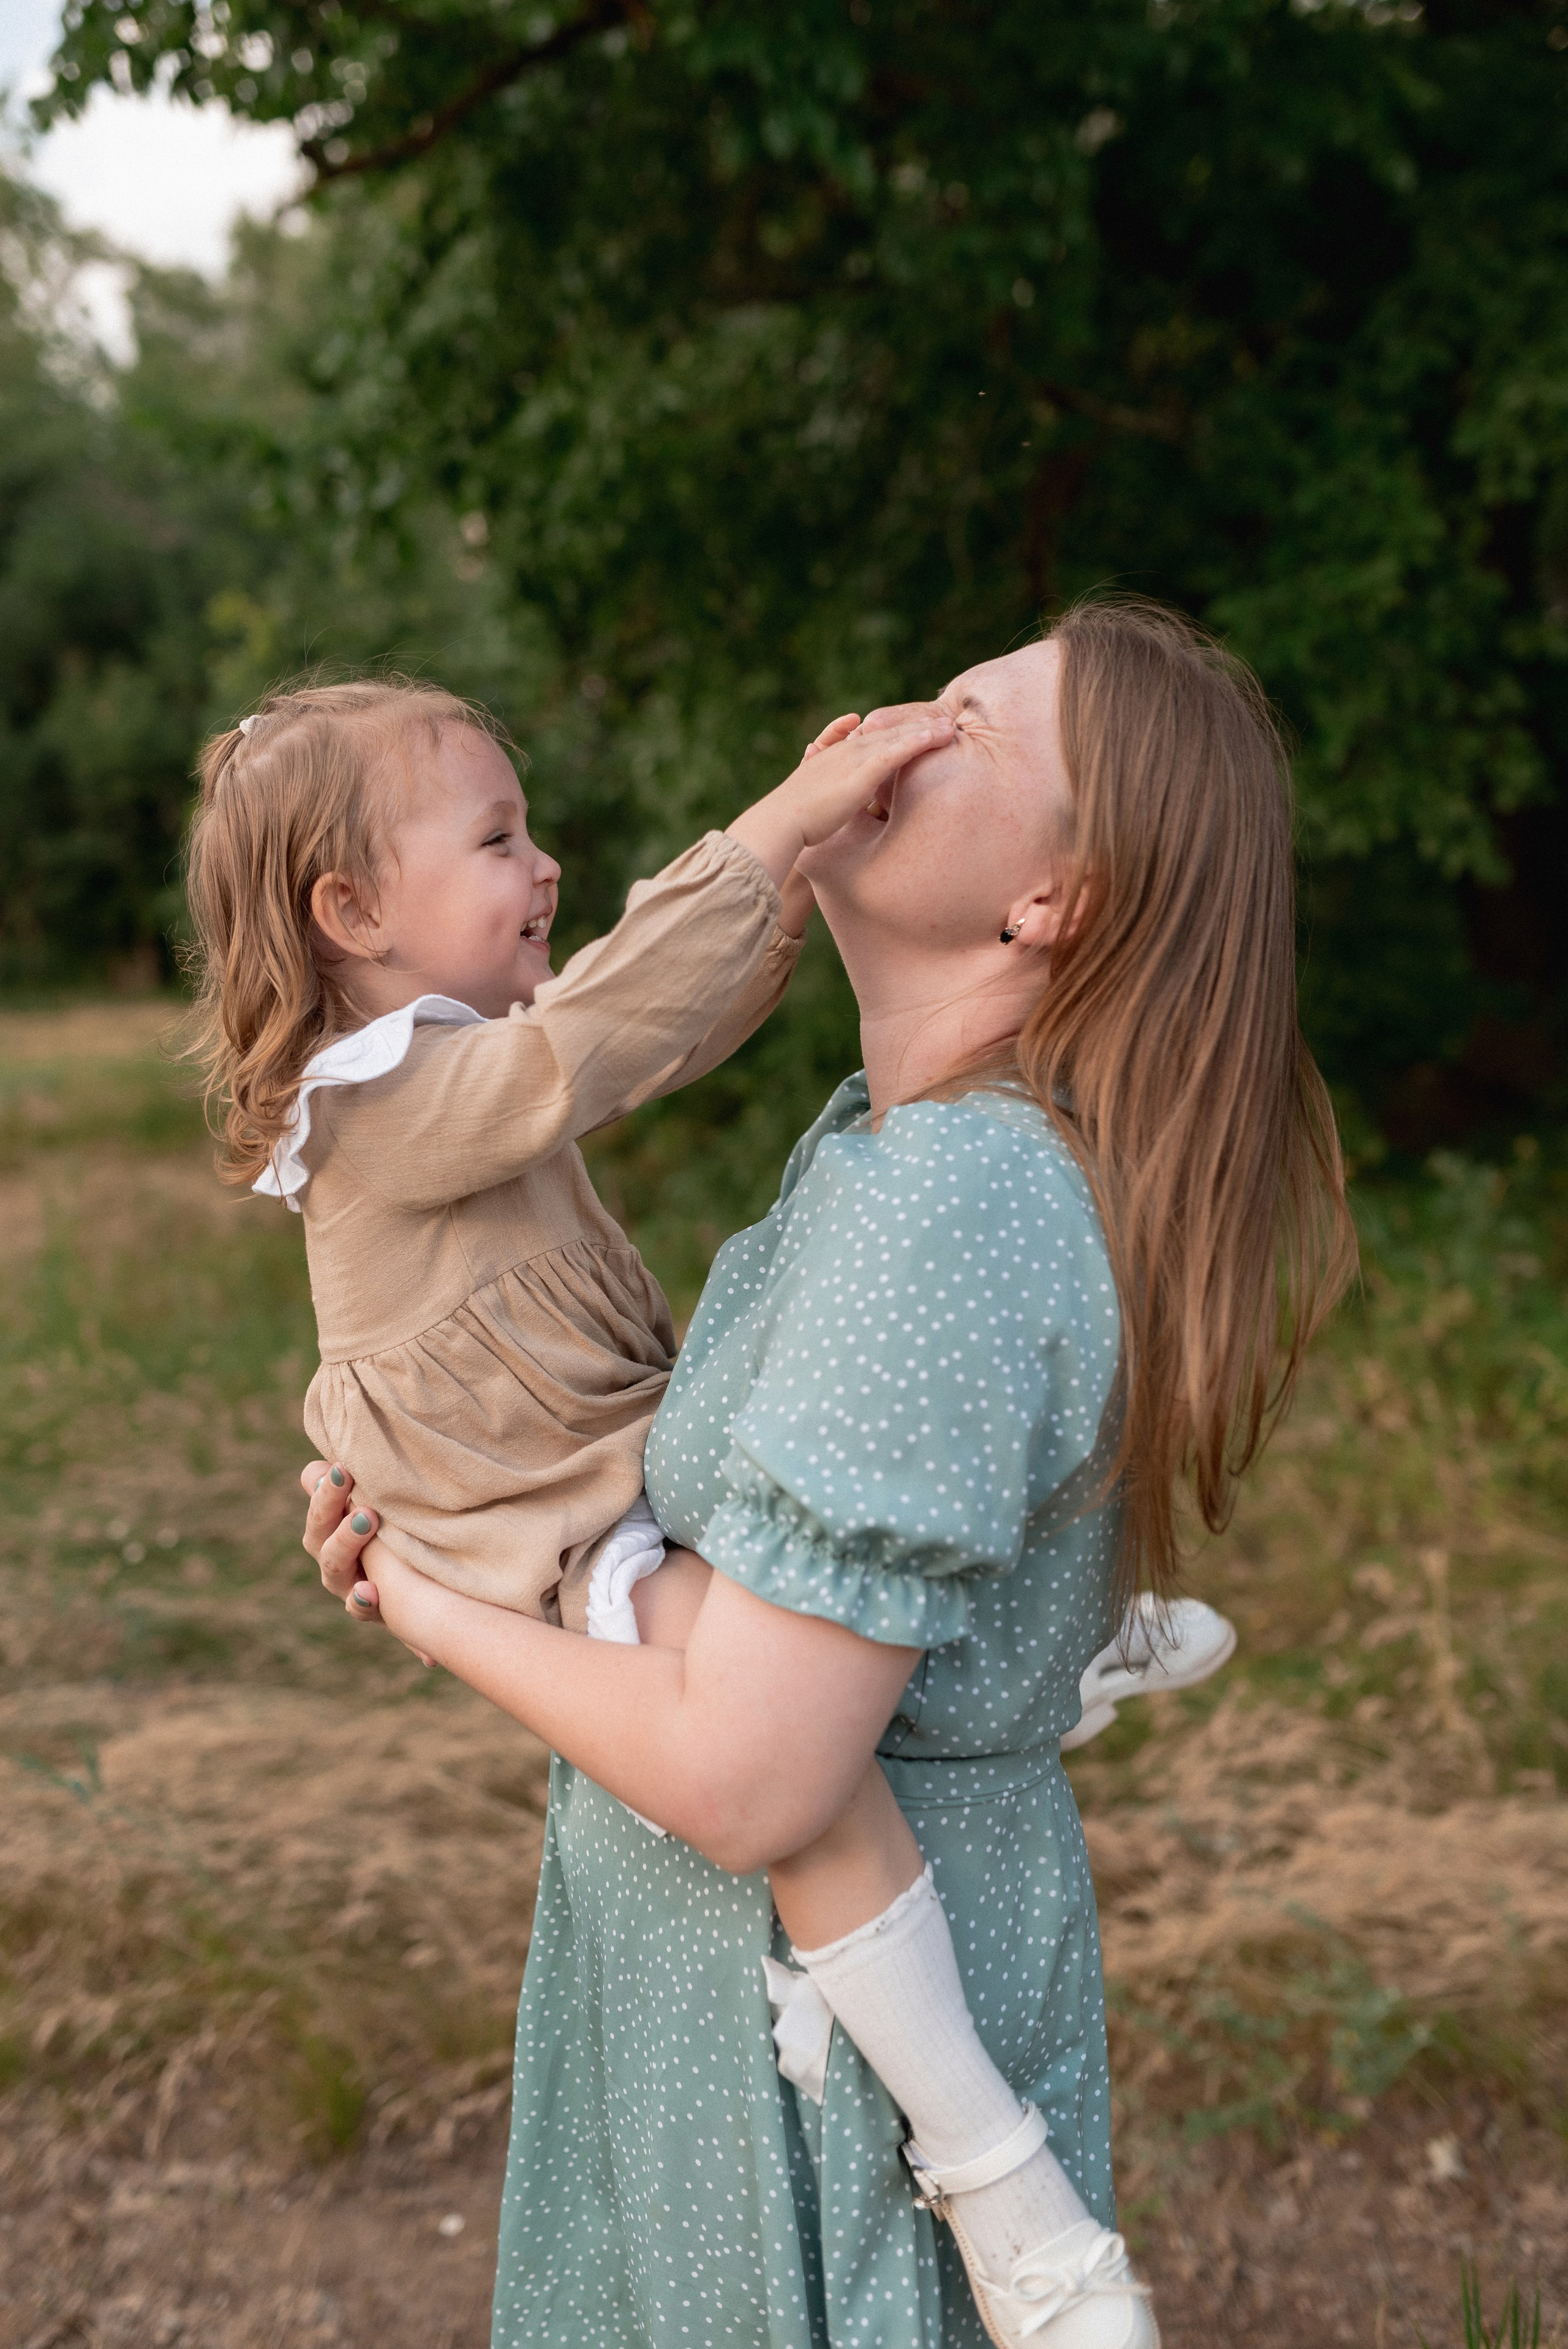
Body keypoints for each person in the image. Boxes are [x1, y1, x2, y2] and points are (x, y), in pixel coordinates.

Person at [302, 601, 1353, 2348]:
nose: (900, 725)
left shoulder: (946, 1206)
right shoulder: (890, 1151)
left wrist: (420, 1592)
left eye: (971, 724)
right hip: (725, 2015)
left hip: (812, 2063)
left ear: (1051, 904)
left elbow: (747, 1770)